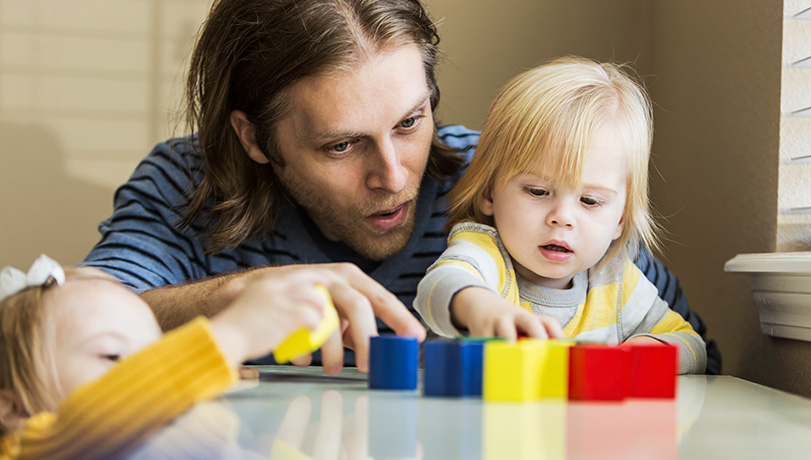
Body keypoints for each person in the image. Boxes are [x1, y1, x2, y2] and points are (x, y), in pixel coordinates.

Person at [82, 0, 721, 374]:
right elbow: (36, 329)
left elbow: (696, 355)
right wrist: (236, 296)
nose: (393, 177)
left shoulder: (513, 181)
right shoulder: (187, 185)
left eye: (410, 122)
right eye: (341, 144)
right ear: (254, 139)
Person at [415, 57, 706, 374]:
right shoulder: (485, 253)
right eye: (538, 192)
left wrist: (636, 356)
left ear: (620, 218)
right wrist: (481, 308)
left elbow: (692, 345)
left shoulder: (615, 281)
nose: (562, 217)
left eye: (590, 200)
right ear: (488, 194)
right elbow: (439, 286)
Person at [0, 254, 339, 460]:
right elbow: (96, 421)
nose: (153, 368)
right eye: (114, 354)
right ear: (12, 409)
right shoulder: (31, 446)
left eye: (156, 349)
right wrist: (232, 335)